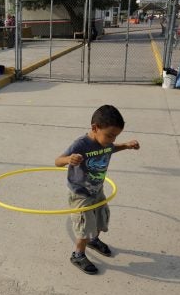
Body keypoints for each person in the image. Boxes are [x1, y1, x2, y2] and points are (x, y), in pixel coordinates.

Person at [55, 105, 140, 274]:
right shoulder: (82, 144)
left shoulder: (107, 142)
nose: (112, 139)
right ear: (95, 128)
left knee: (102, 217)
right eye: (110, 135)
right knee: (85, 225)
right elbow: (57, 161)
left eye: (116, 136)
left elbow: (111, 149)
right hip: (80, 193)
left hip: (97, 189)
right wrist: (69, 159)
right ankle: (78, 254)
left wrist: (126, 145)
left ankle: (94, 240)